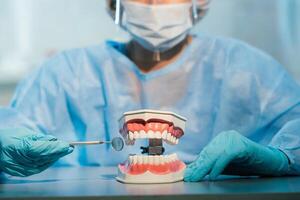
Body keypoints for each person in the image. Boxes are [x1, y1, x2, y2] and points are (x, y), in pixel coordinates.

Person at [0, 0, 299, 181]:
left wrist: (281, 158)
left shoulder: (246, 68)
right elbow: (14, 128)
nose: (155, 4)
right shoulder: (64, 73)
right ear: (114, 4)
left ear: (198, 3)